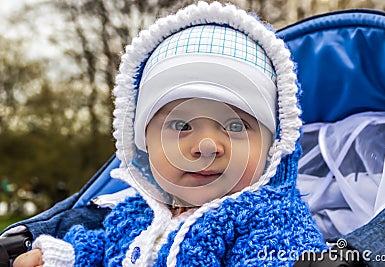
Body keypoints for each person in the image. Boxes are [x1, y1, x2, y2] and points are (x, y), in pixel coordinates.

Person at [13, 1, 327, 266]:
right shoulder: (135, 211)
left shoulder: (271, 224)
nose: (206, 146)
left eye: (235, 126)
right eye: (181, 126)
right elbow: (103, 247)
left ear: (275, 145)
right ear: (143, 141)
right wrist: (62, 257)